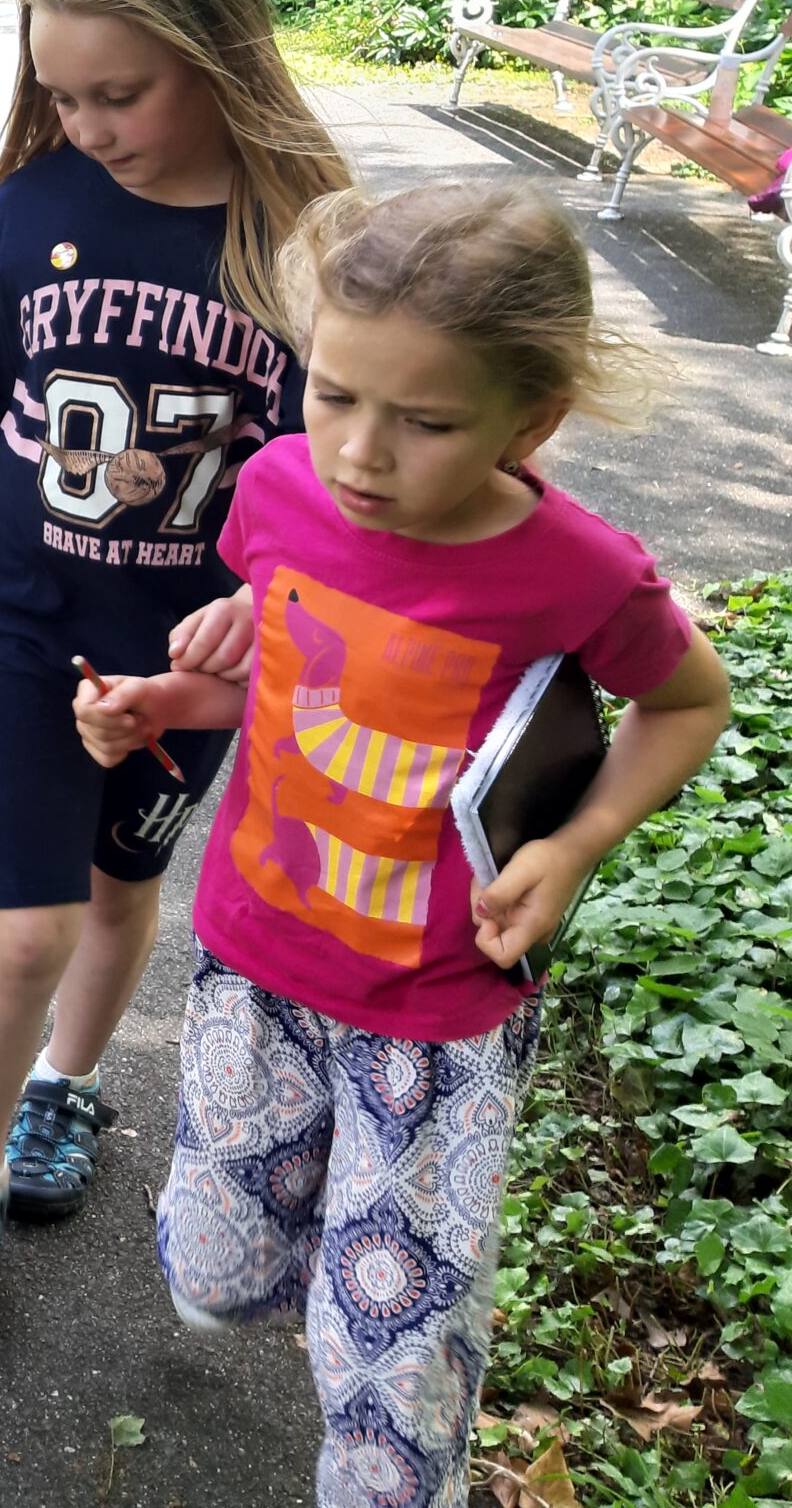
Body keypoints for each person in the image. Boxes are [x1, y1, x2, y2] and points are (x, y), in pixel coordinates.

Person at [73, 181, 731, 1508]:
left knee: (389, 1363)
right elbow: (292, 679)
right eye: (332, 394)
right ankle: (313, 1260)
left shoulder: (577, 571)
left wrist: (581, 841)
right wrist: (165, 703)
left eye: (425, 422)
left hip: (432, 1018)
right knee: (211, 1274)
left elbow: (688, 703)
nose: (360, 454)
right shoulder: (277, 488)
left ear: (530, 421)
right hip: (254, 966)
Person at [0, 0, 352, 1351]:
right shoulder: (30, 208)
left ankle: (65, 1089)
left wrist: (262, 601)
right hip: (25, 622)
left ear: (215, 51)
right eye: (61, 94)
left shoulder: (307, 241)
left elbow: (346, 478)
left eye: (119, 93)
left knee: (115, 887)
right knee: (22, 925)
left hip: (194, 663)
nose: (85, 124)